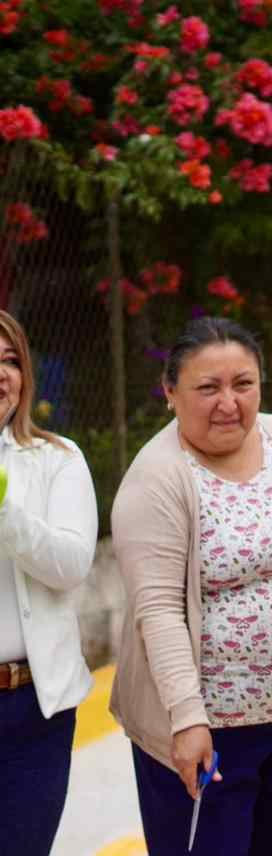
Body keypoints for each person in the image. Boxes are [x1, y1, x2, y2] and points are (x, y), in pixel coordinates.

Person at [110, 317, 272, 856]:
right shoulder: (157, 478)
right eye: (207, 388)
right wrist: (188, 723)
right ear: (170, 393)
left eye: (243, 384)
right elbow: (159, 612)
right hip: (209, 734)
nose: (229, 403)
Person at [0, 310, 97, 855]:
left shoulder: (57, 460)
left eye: (11, 361)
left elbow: (71, 565)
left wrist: (3, 504)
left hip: (32, 708)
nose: (2, 374)